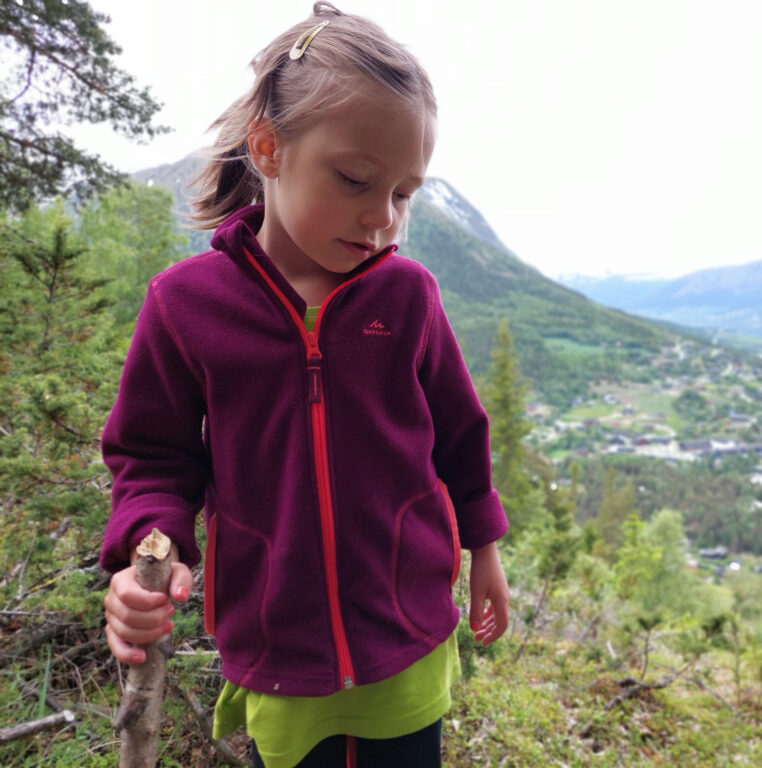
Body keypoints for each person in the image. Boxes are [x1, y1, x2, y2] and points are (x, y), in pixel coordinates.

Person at [99, 4, 510, 766]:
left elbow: (459, 431)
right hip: (277, 648)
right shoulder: (186, 306)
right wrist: (144, 551)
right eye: (357, 179)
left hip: (407, 635)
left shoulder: (408, 296)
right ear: (268, 148)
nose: (382, 217)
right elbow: (150, 457)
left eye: (404, 193)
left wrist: (483, 544)